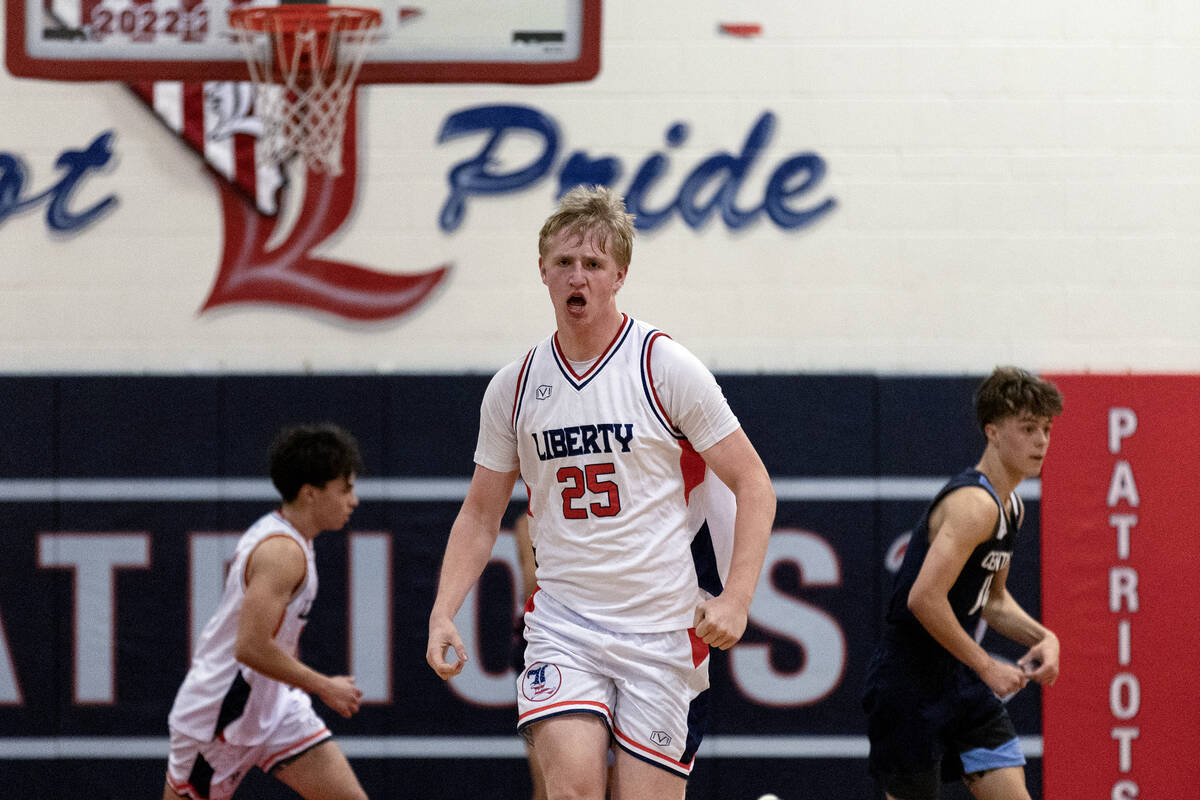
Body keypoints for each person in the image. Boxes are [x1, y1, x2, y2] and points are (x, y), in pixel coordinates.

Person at [426, 185, 776, 800]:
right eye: (564, 262)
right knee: (572, 792)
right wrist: (442, 610)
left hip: (663, 628)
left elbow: (754, 483)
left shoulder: (664, 367)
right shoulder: (514, 387)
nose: (577, 275)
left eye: (592, 263)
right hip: (566, 625)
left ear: (619, 274)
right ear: (543, 271)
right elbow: (480, 515)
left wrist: (738, 598)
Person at [862, 367, 1064, 800]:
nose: (1041, 441)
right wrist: (987, 666)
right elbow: (924, 599)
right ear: (992, 431)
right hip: (908, 684)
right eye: (1028, 429)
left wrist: (1043, 636)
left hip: (960, 681)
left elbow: (993, 599)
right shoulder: (974, 505)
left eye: (1046, 429)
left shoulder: (1011, 506)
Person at [162, 423, 369, 800]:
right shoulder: (282, 553)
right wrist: (324, 686)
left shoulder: (292, 537)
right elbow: (250, 647)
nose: (353, 500)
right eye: (345, 489)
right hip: (220, 716)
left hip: (273, 708)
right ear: (310, 494)